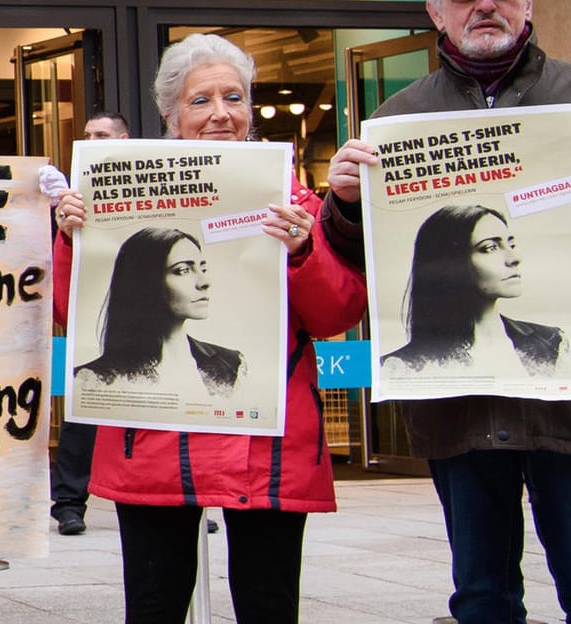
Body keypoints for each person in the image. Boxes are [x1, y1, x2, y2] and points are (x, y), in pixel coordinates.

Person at [323, 0, 571, 623]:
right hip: (455, 402)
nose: (485, 5)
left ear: (528, 3)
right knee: (483, 597)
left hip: (569, 396)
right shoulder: (398, 118)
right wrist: (343, 204)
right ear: (437, 13)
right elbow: (357, 257)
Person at [54, 33, 367, 624]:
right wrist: (73, 240)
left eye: (235, 97)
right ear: (171, 117)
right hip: (152, 437)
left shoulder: (293, 200)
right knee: (154, 606)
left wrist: (302, 250)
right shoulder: (123, 196)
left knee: (270, 605)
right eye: (202, 101)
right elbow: (79, 313)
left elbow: (337, 315)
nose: (222, 113)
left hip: (266, 442)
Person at [50, 111, 128, 536]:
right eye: (87, 135)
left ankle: (182, 499)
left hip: (140, 306)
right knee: (85, 413)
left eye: (101, 134)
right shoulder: (72, 191)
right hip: (93, 311)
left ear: (123, 138)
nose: (92, 139)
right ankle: (68, 503)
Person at [380, 205, 563, 377]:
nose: (514, 258)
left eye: (511, 245)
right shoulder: (402, 366)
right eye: (490, 247)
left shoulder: (552, 342)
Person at [75, 227, 243, 395]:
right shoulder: (91, 379)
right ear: (145, 281)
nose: (204, 282)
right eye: (183, 270)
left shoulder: (232, 364)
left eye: (203, 269)